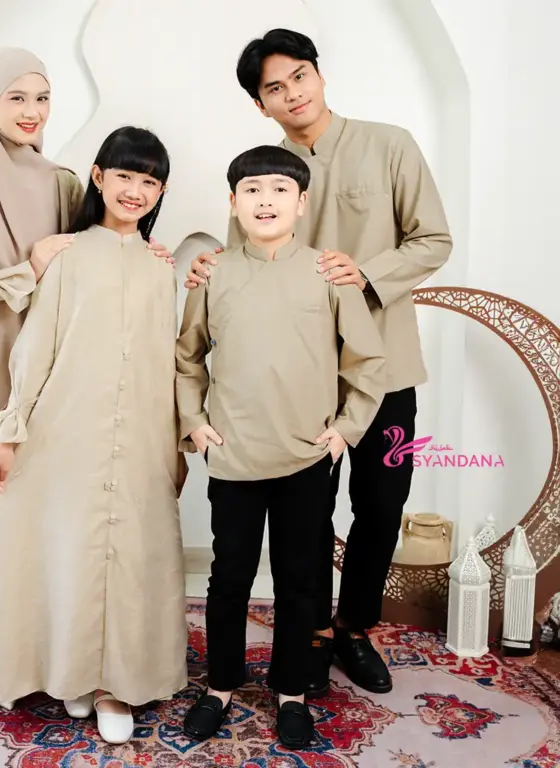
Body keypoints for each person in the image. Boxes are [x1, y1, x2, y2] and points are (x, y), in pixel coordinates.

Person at [185, 29, 452, 697]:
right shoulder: (261, 178)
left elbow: (433, 239)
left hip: (385, 366)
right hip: (294, 380)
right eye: (274, 88)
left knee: (382, 503)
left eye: (299, 76)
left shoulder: (389, 145)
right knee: (307, 515)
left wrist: (367, 273)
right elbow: (240, 266)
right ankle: (308, 634)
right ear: (260, 104)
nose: (292, 93)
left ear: (319, 75)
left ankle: (354, 627)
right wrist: (206, 271)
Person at [0, 49, 172, 679]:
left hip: (45, 351)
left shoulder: (62, 181)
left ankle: (33, 645)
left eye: (42, 98)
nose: (32, 111)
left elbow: (97, 244)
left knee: (36, 502)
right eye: (16, 97)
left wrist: (153, 257)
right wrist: (24, 271)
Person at [0, 126, 189, 745]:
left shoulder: (161, 268)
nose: (135, 190)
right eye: (124, 176)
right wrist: (8, 434)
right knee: (71, 550)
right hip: (65, 429)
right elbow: (35, 348)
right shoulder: (65, 256)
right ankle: (74, 672)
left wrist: (174, 445)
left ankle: (114, 684)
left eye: (149, 181)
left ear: (161, 192)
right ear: (98, 177)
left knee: (131, 557)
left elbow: (169, 361)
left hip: (141, 433)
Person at [177, 145, 385, 749]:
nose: (265, 200)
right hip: (235, 454)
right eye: (251, 190)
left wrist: (344, 430)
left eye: (278, 189)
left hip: (305, 456)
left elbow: (367, 360)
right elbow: (187, 357)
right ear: (233, 203)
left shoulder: (327, 273)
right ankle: (220, 686)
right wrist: (195, 422)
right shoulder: (214, 275)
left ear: (301, 202)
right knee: (229, 576)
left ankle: (292, 693)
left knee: (300, 578)